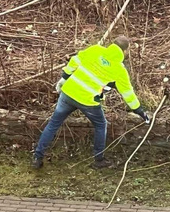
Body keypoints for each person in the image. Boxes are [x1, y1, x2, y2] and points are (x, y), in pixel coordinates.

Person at [32, 35, 150, 169]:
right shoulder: (119, 69)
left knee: (53, 124)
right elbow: (128, 94)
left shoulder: (95, 50)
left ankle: (37, 157)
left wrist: (64, 78)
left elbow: (75, 60)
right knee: (101, 125)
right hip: (88, 101)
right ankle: (99, 160)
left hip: (69, 92)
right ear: (124, 51)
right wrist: (140, 111)